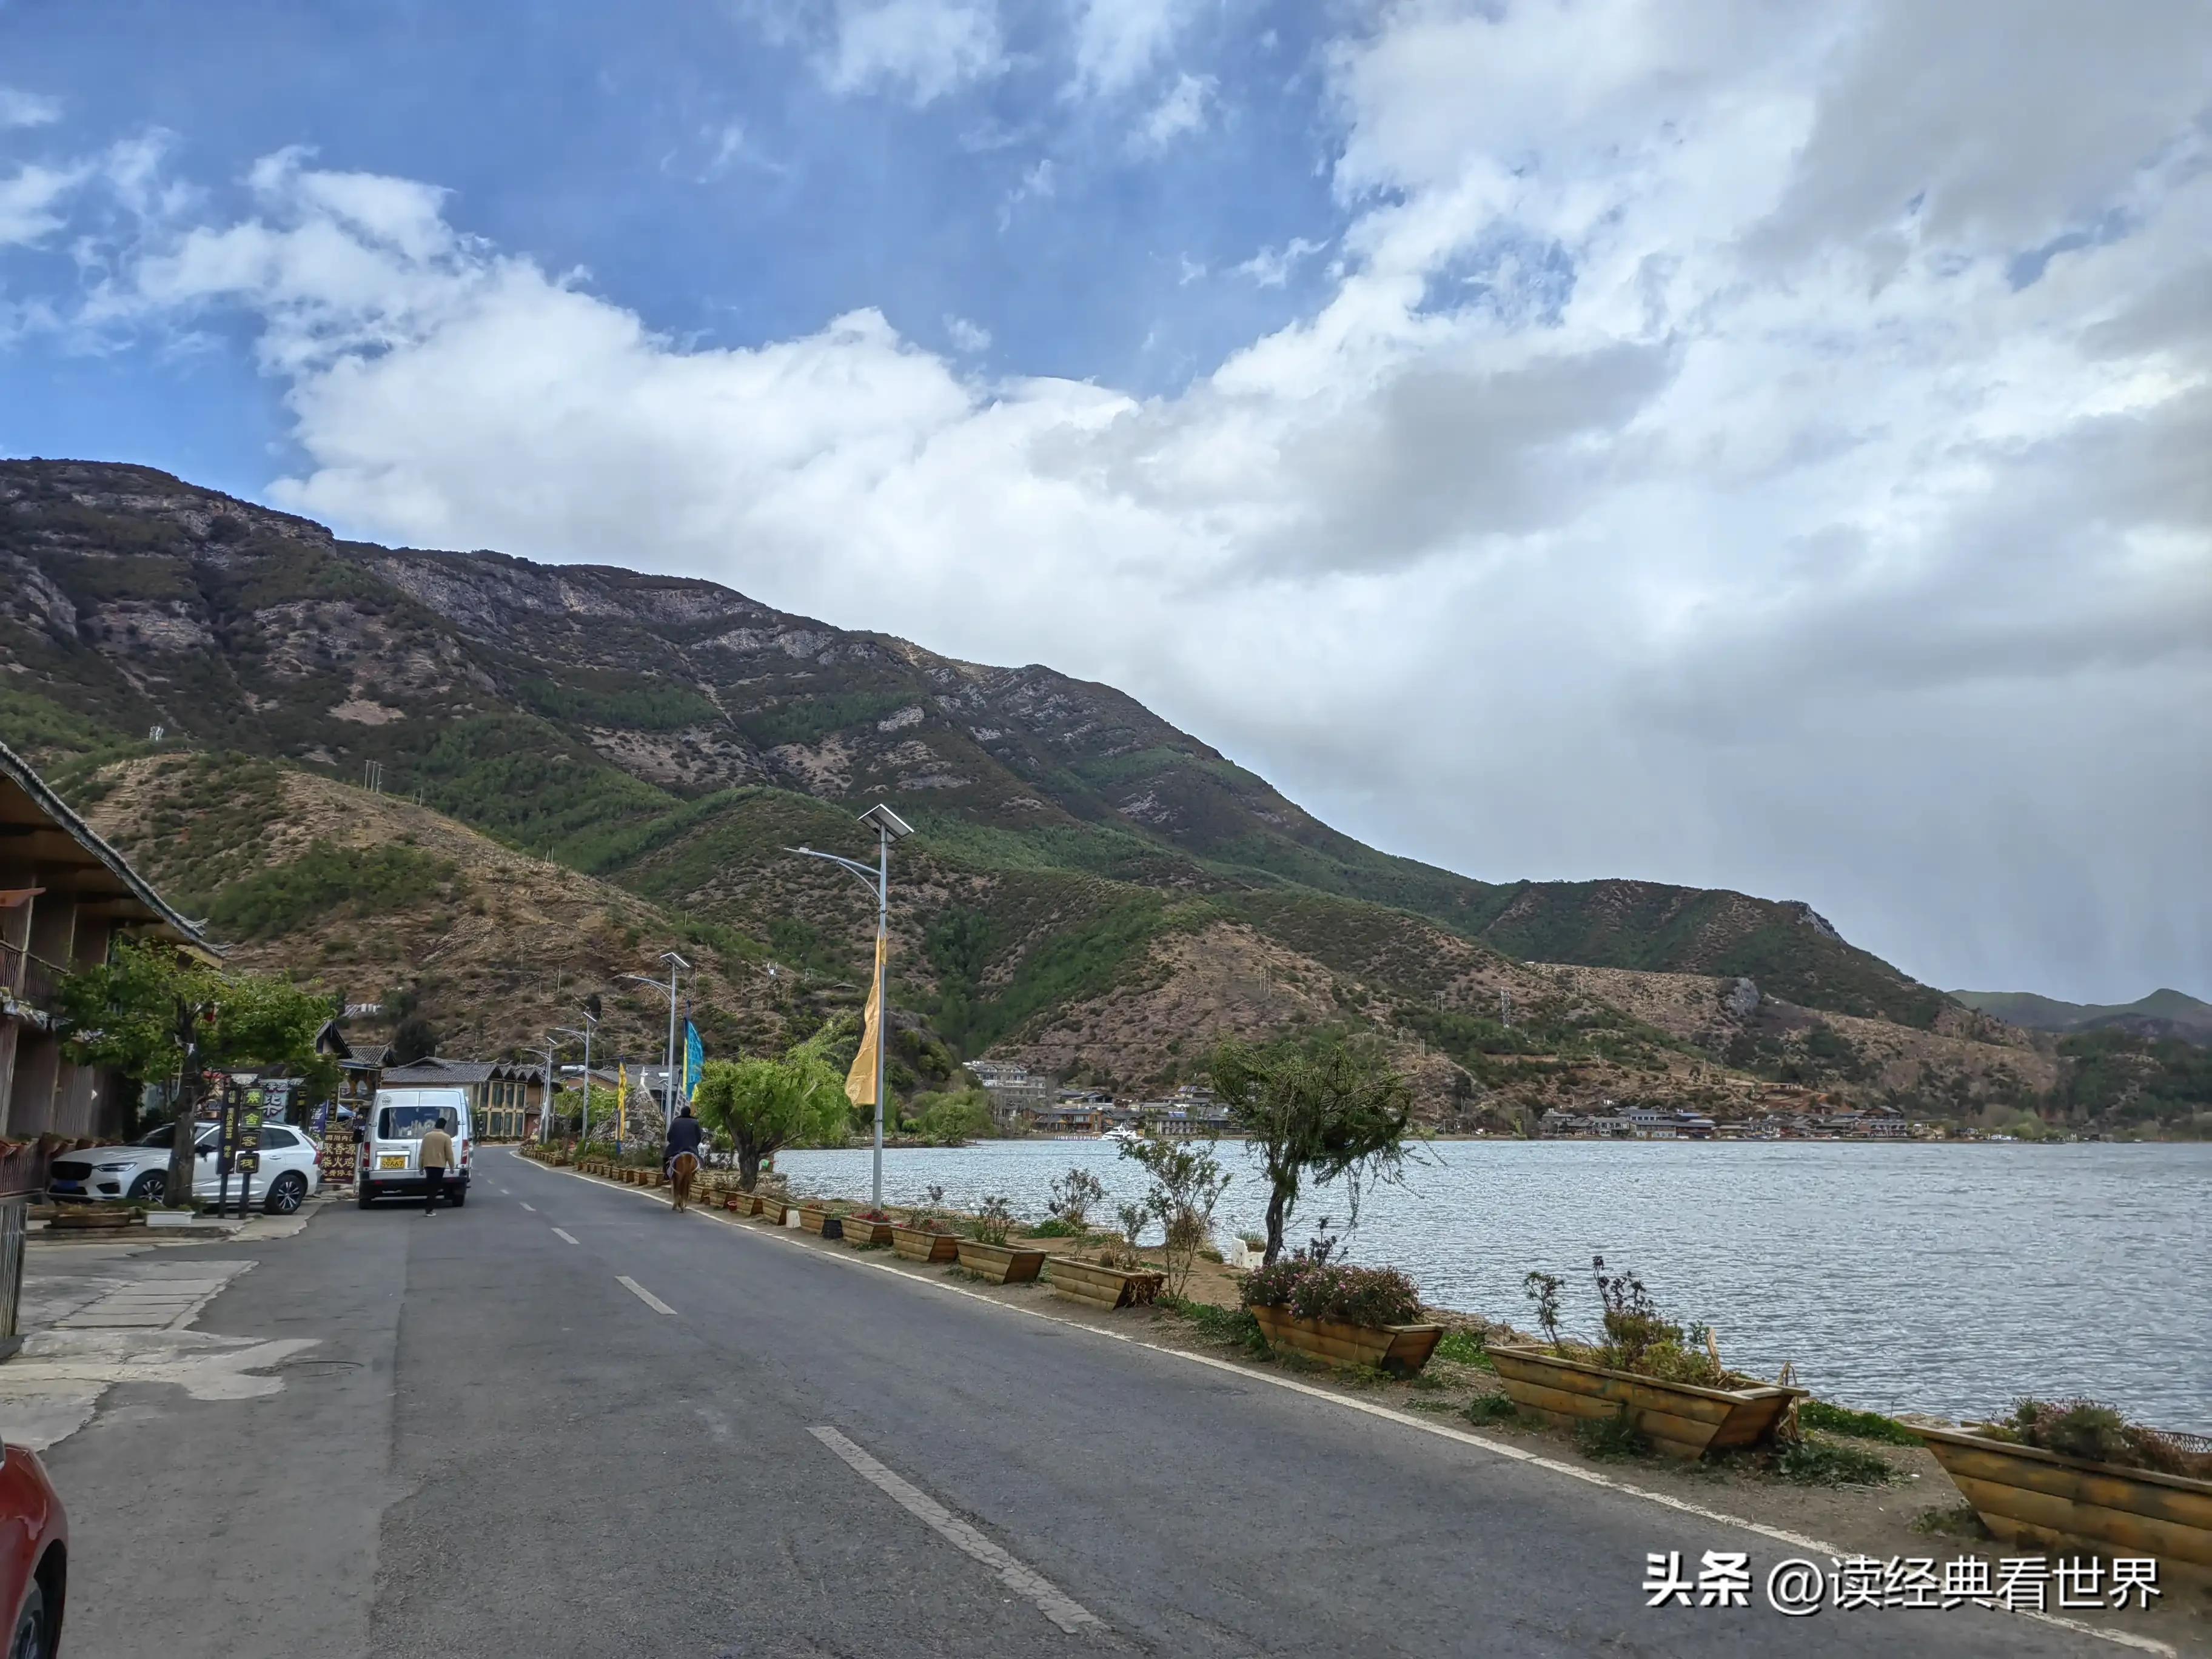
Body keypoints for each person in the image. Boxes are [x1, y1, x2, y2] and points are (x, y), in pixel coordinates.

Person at [418, 1117, 456, 1216]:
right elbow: (449, 1154)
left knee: (431, 1186)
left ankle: (429, 1207)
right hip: (439, 1166)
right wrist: (452, 1167)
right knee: (435, 1188)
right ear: (444, 1126)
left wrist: (420, 1166)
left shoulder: (427, 1136)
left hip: (428, 1165)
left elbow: (422, 1153)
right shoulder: (446, 1137)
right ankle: (429, 1209)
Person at [663, 1104, 703, 1174]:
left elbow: (669, 1137)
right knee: (700, 1161)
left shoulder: (675, 1122)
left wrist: (673, 1142)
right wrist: (693, 1144)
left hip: (675, 1150)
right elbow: (699, 1138)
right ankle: (697, 1175)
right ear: (689, 1113)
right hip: (692, 1150)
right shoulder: (695, 1122)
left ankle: (665, 1174)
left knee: (665, 1158)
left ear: (681, 1113)